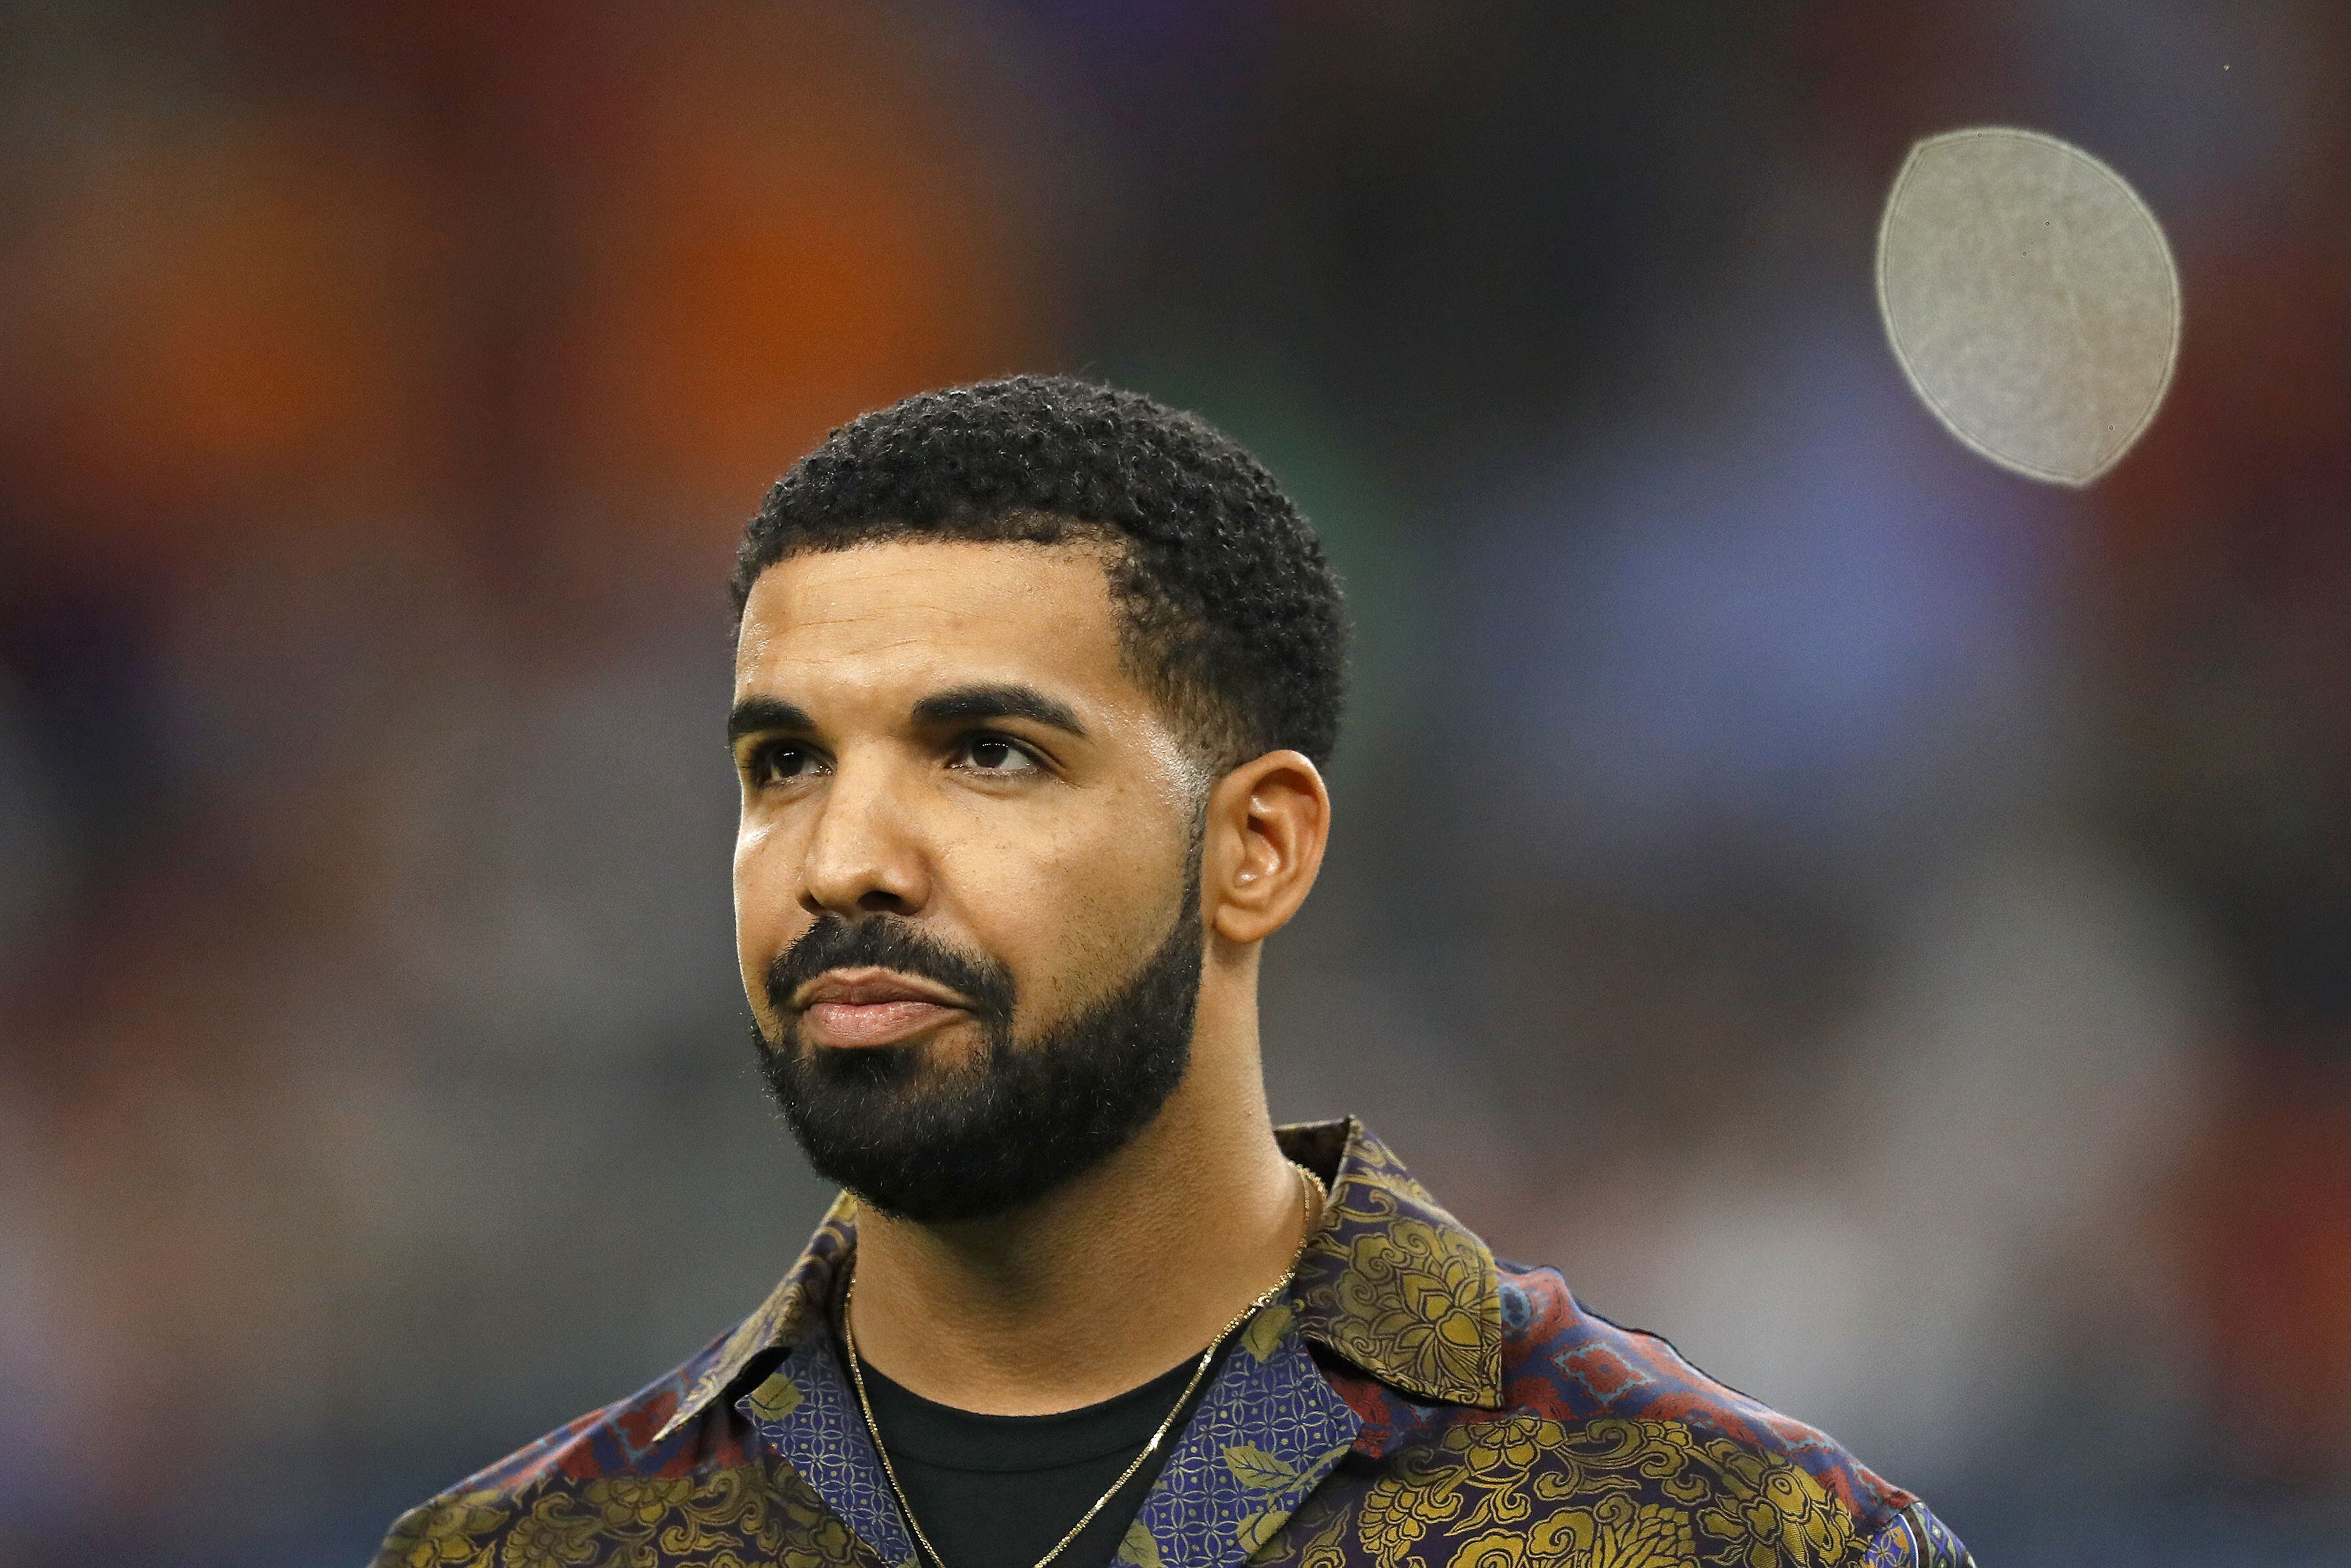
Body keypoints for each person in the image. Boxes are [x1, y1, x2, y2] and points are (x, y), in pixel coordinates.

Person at [371, 377, 1973, 1568]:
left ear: (1256, 846)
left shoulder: (1724, 1538)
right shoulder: (531, 1554)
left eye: (987, 753)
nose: (844, 858)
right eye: (786, 762)